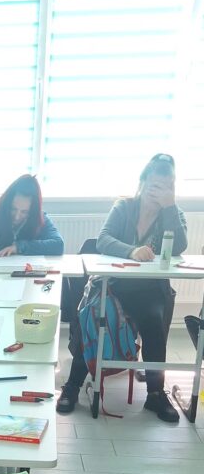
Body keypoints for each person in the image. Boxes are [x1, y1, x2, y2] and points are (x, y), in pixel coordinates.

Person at [56, 153, 187, 423]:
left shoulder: (173, 214)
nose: (159, 192)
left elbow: (179, 247)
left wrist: (170, 207)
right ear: (142, 183)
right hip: (114, 286)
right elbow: (103, 240)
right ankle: (72, 386)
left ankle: (155, 394)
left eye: (167, 186)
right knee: (93, 317)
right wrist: (131, 251)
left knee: (154, 322)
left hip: (150, 290)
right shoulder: (124, 207)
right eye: (155, 185)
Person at [0, 174, 64, 263]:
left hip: (29, 271)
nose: (17, 217)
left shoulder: (41, 219)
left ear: (32, 211)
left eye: (24, 212)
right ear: (6, 204)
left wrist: (19, 247)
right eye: (13, 209)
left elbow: (58, 244)